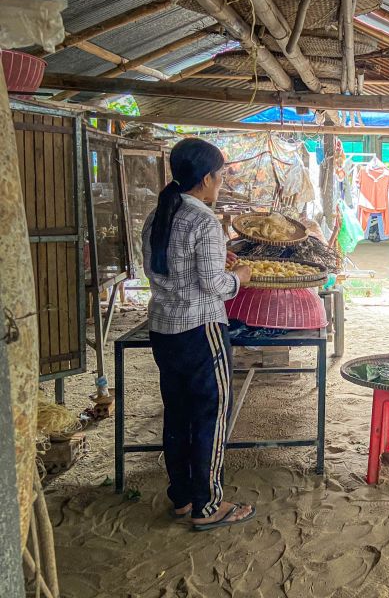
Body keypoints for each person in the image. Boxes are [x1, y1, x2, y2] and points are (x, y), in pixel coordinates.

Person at [142, 138, 255, 531]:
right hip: (200, 329)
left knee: (178, 414)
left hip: (164, 330)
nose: (220, 183)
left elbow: (164, 270)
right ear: (206, 178)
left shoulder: (157, 216)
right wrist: (239, 278)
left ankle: (182, 498)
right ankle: (208, 506)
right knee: (211, 414)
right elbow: (213, 285)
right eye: (220, 176)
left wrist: (213, 262)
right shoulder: (204, 220)